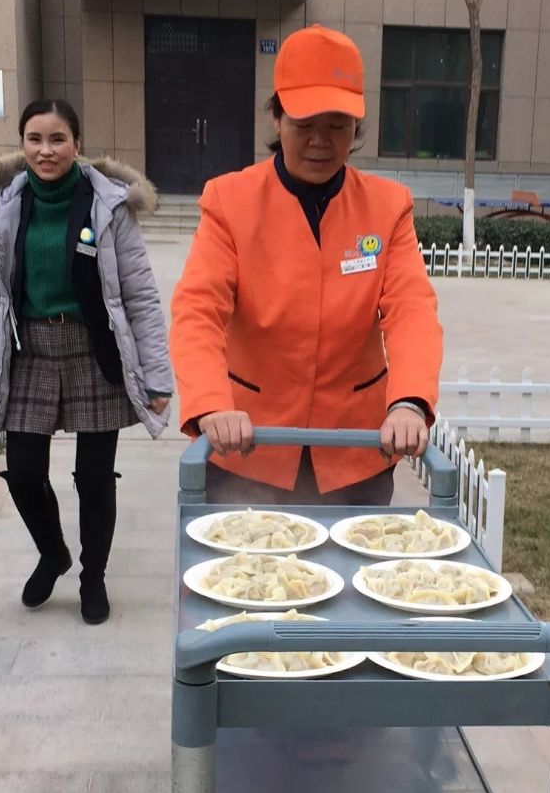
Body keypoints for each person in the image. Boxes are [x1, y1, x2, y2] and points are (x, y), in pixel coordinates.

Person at [169, 25, 442, 504]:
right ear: (277, 119)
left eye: (337, 125)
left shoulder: (387, 207)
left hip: (354, 449)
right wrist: (212, 404)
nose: (320, 140)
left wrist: (409, 402)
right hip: (249, 445)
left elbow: (411, 311)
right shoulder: (230, 201)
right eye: (304, 123)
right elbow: (197, 311)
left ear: (356, 128)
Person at [0, 98, 173, 624]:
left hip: (92, 351)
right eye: (34, 139)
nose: (46, 150)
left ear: (77, 144)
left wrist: (156, 377)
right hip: (30, 353)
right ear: (22, 145)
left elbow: (141, 298)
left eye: (57, 139)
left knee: (94, 477)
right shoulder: (5, 206)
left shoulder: (108, 205)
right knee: (24, 473)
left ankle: (92, 577)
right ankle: (53, 553)